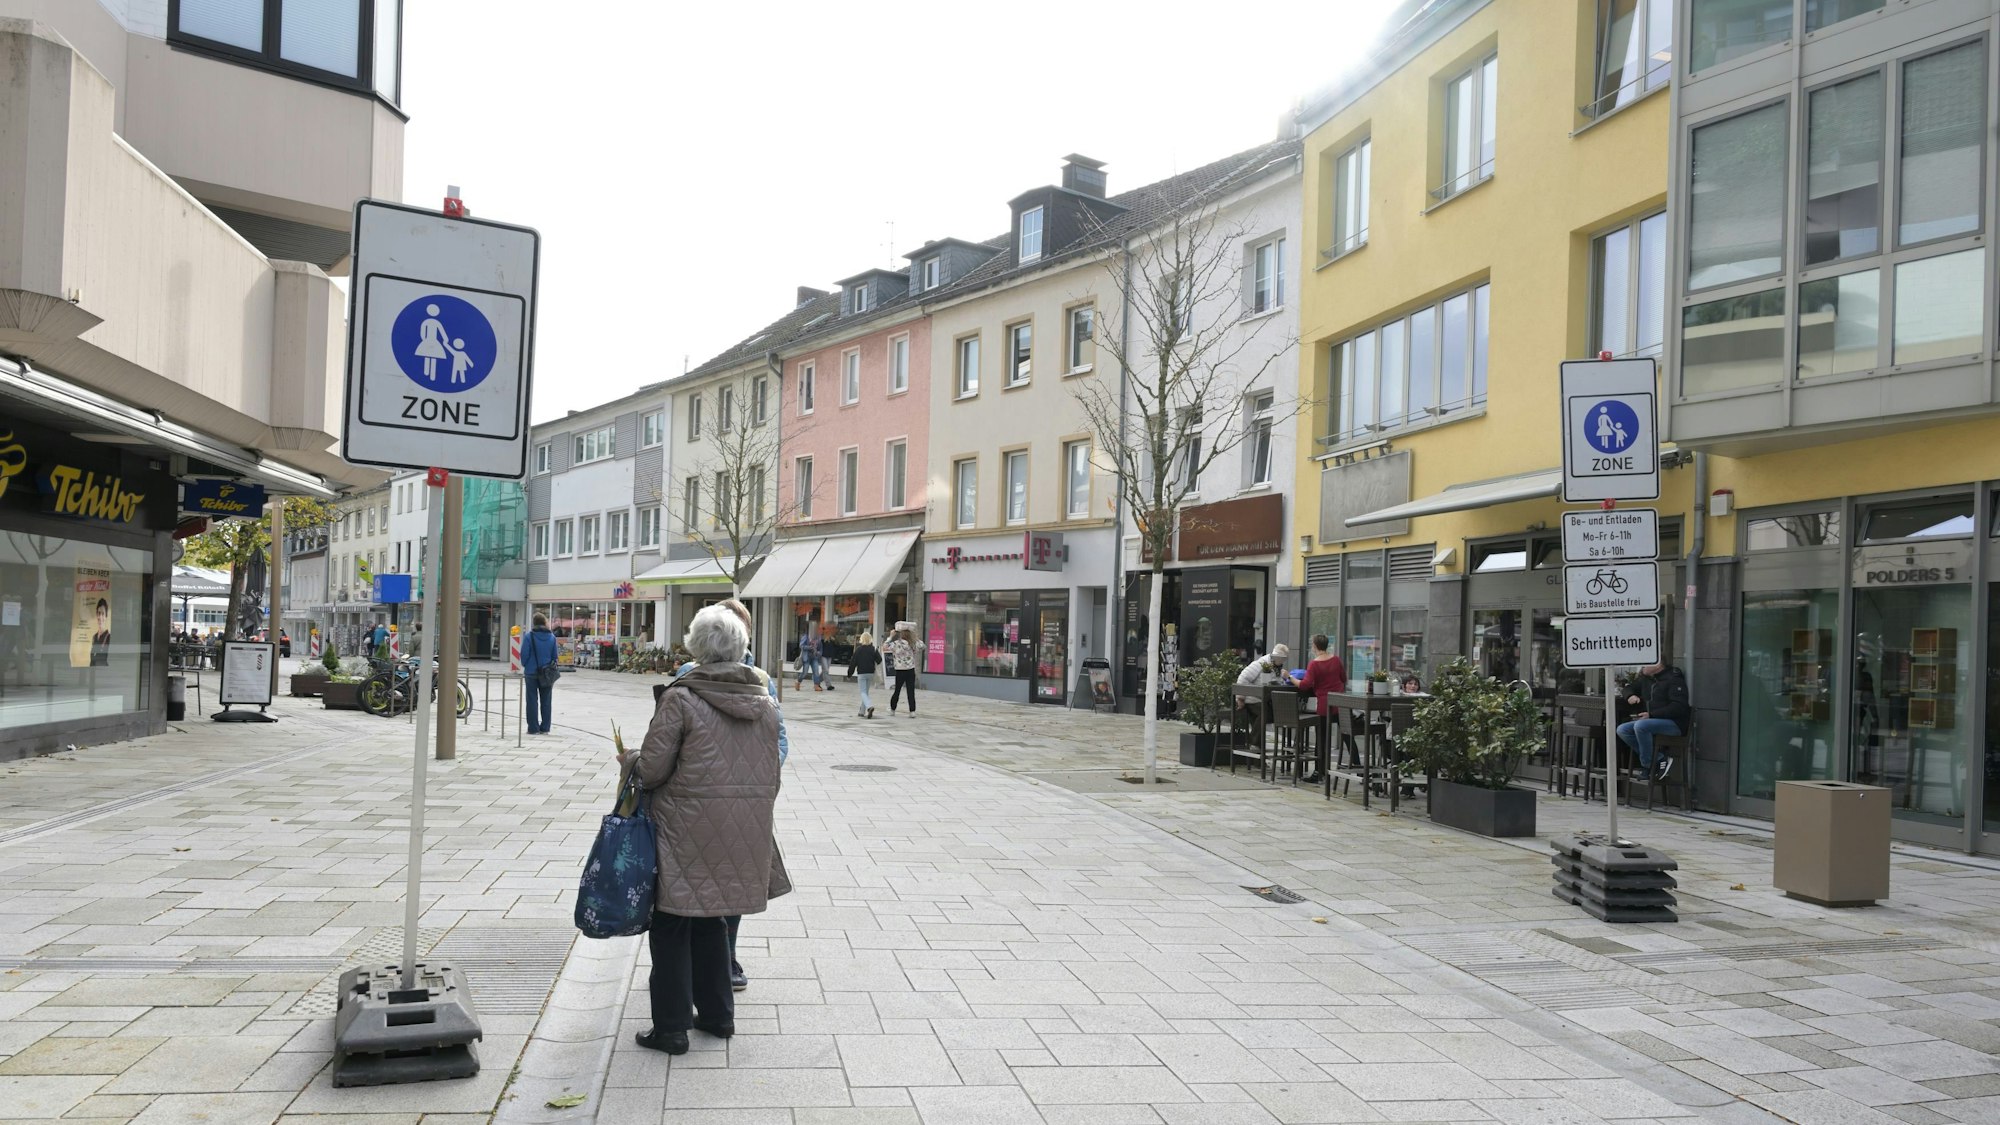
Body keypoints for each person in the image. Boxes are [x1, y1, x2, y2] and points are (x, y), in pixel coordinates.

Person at [622, 604, 785, 1056]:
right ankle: (717, 1017)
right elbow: (772, 770)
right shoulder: (766, 702)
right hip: (742, 826)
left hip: (684, 829)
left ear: (695, 646)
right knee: (712, 917)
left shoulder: (681, 697)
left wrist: (630, 760)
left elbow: (653, 771)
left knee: (672, 924)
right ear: (741, 646)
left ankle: (671, 1028)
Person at [668, 597, 788, 993]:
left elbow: (779, 739)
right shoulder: (688, 676)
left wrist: (755, 775)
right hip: (706, 797)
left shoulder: (761, 681)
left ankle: (724, 962)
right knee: (715, 884)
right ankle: (705, 973)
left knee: (725, 885)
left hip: (729, 798)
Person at [1616, 661, 1690, 781]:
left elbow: (1679, 707)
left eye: (1645, 663)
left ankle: (1647, 766)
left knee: (1641, 725)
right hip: (1652, 721)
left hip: (1674, 724)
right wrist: (1630, 696)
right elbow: (1628, 688)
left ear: (1657, 664)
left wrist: (1652, 714)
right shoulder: (1647, 679)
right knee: (1622, 729)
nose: (1642, 666)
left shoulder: (1674, 679)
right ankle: (1658, 759)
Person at [1296, 635, 1346, 777]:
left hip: (1324, 707)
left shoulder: (1314, 664)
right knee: (1348, 736)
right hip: (1340, 705)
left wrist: (1290, 677)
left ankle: (1319, 771)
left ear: (1314, 646)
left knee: (1321, 739)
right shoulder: (1336, 660)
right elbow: (1344, 678)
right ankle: (1359, 769)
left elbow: (1305, 685)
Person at [520, 613, 559, 735]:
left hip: (531, 673)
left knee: (531, 700)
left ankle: (533, 728)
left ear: (534, 623)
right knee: (546, 701)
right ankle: (545, 727)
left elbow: (524, 656)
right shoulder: (552, 638)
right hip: (547, 674)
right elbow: (555, 657)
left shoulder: (528, 637)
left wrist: (527, 665)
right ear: (544, 622)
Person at [887, 623, 919, 715]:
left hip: (900, 670)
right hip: (910, 669)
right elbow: (922, 645)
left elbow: (885, 646)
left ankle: (893, 709)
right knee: (911, 691)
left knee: (897, 690)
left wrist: (890, 636)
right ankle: (912, 711)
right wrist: (915, 636)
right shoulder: (913, 643)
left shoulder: (896, 644)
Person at [849, 631, 881, 719]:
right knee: (865, 692)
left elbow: (853, 663)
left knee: (863, 692)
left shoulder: (859, 650)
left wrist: (849, 674)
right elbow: (879, 660)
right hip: (870, 673)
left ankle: (869, 706)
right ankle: (861, 711)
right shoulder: (873, 649)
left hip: (862, 673)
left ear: (862, 639)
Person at [89, 599, 111, 667]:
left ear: (106, 616)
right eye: (98, 613)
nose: (100, 617)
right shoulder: (94, 637)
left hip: (102, 674)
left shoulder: (109, 638)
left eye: (103, 613)